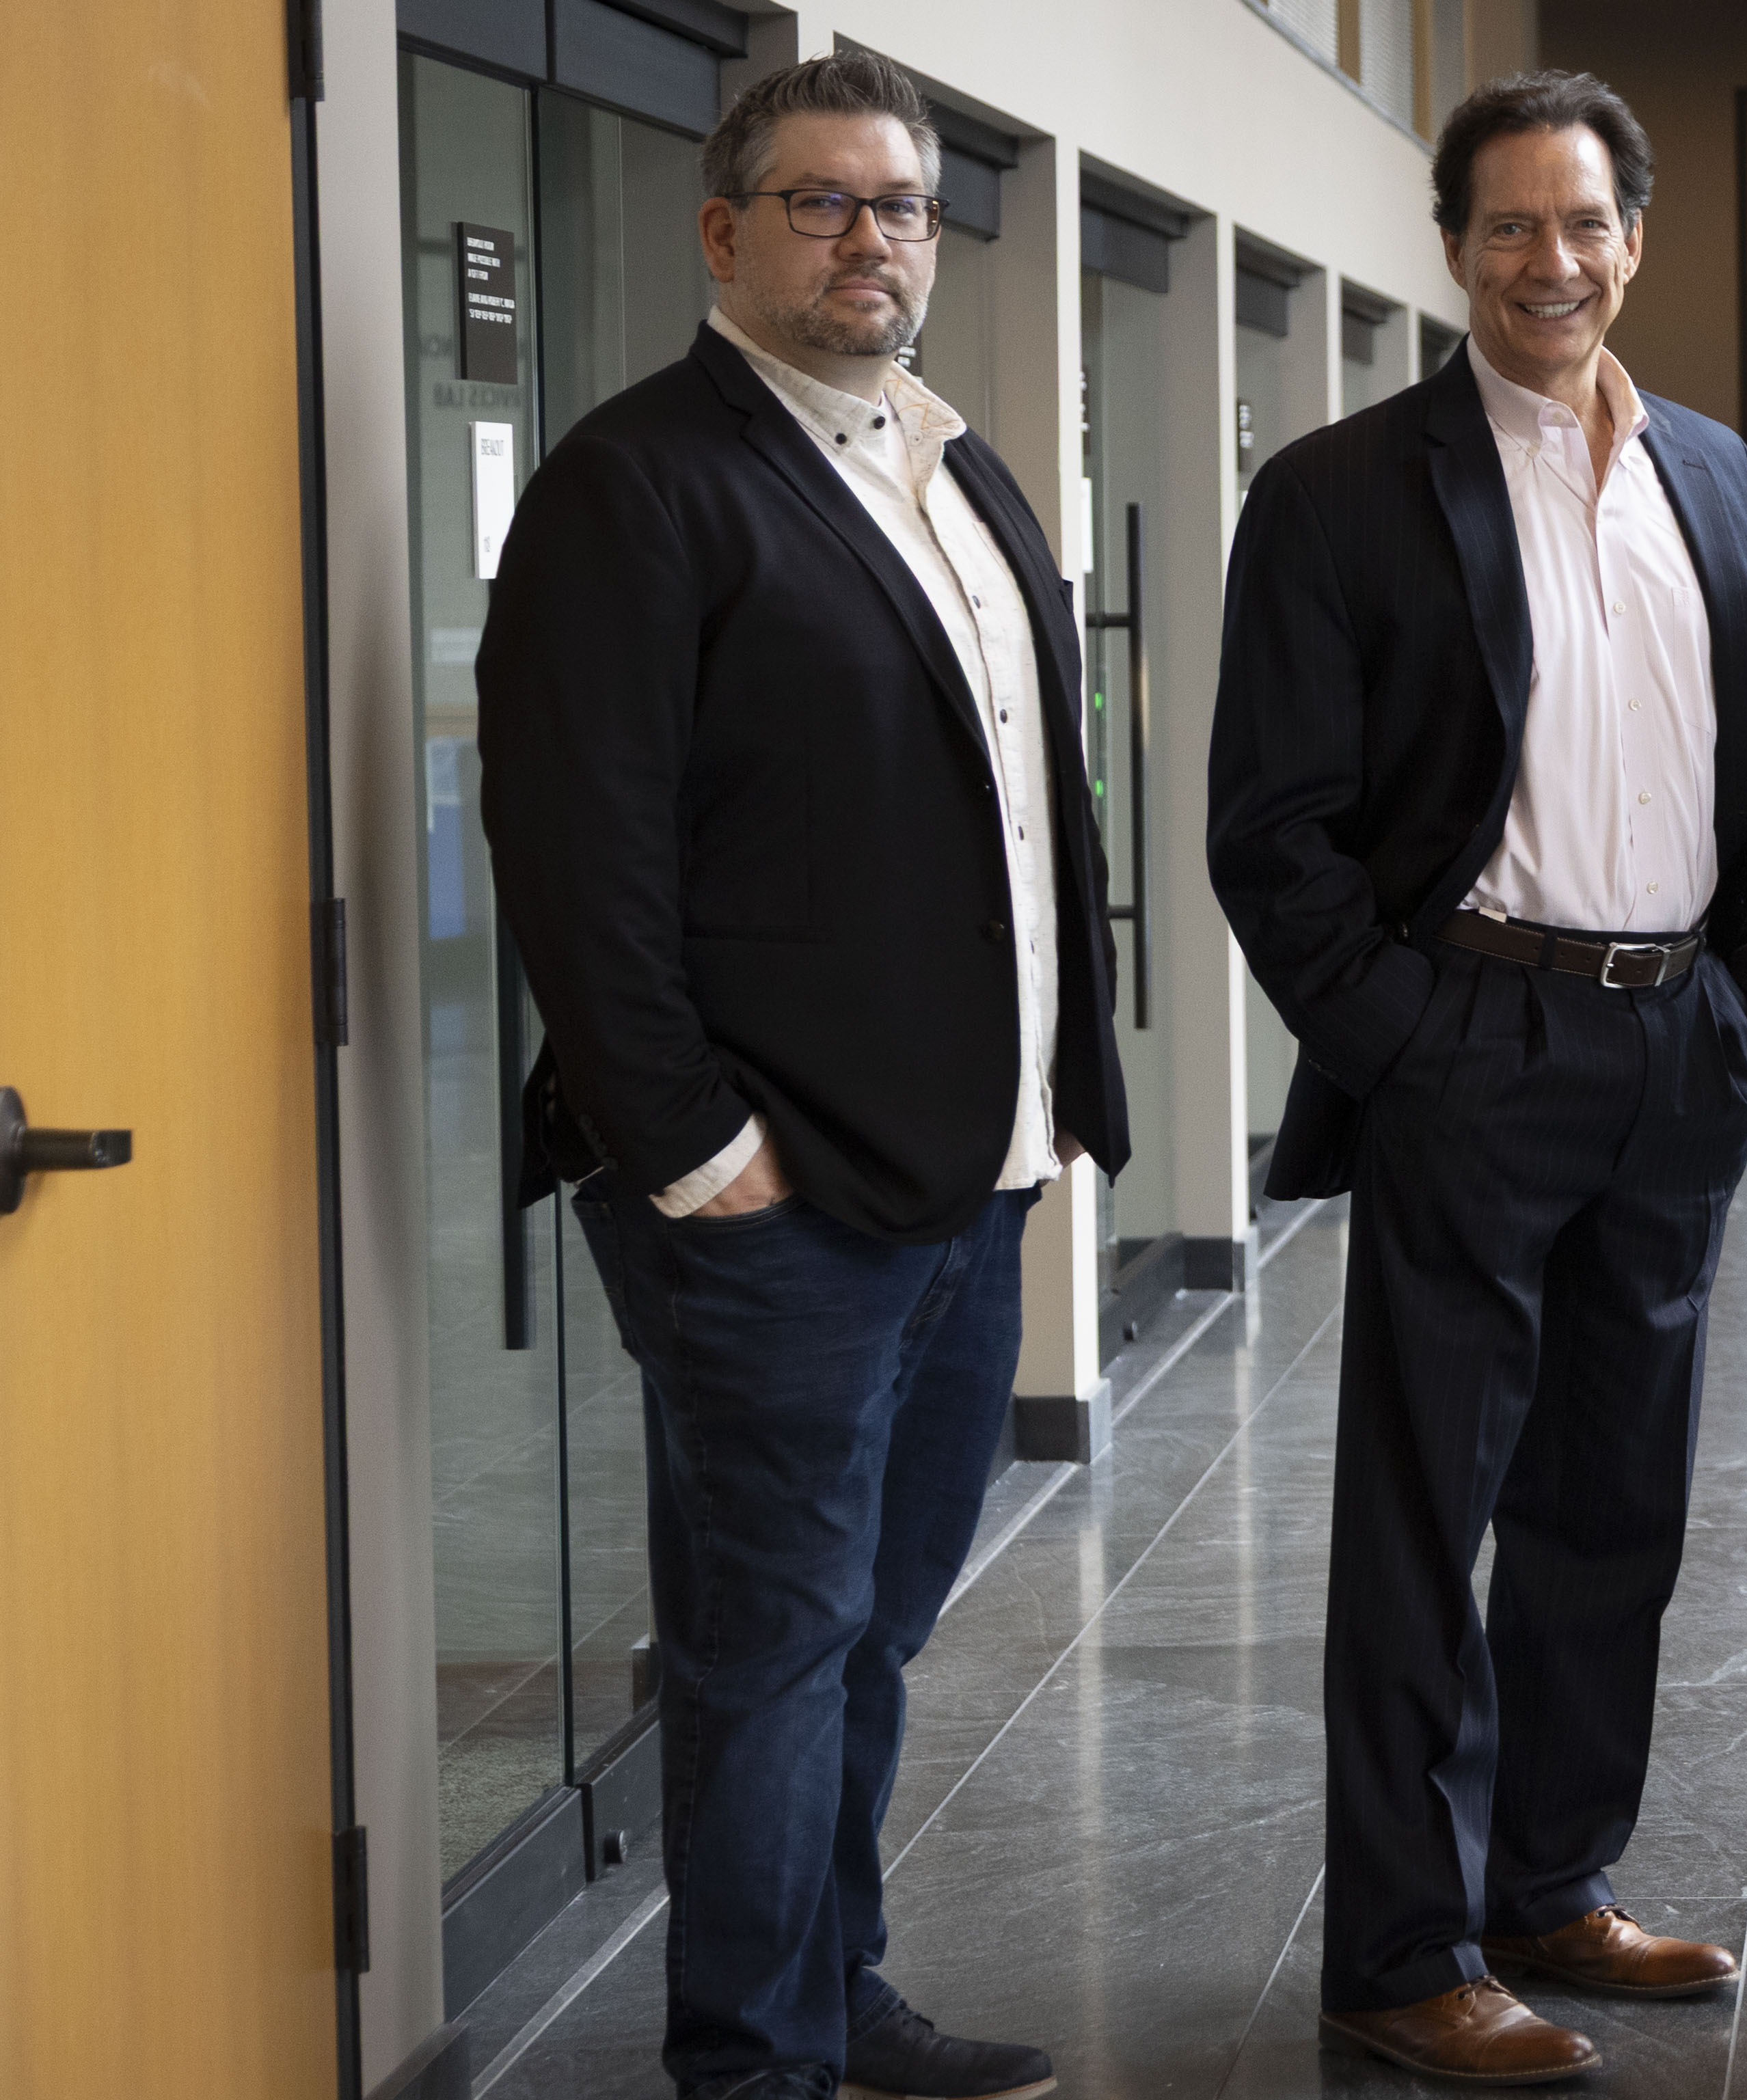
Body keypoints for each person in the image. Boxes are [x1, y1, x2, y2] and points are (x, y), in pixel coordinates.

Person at [480, 51, 1111, 2100]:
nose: (872, 239)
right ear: (725, 230)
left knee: (873, 1631)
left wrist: (1055, 1111)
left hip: (971, 1172)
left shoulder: (955, 463)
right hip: (776, 1203)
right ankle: (750, 2059)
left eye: (903, 205)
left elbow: (1027, 815)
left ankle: (837, 1998)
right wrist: (694, 1154)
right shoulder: (635, 481)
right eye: (826, 201)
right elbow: (581, 854)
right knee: (768, 1647)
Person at [1205, 70, 1747, 2088]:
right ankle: (1398, 1944)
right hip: (1477, 1038)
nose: (1553, 260)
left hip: (1668, 1046)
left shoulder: (1711, 474)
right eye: (1510, 227)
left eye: (1586, 222)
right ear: (1453, 247)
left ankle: (1556, 1882)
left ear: (1640, 236)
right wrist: (1409, 1043)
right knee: (1423, 1516)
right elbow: (1268, 828)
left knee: (1613, 1508)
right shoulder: (1341, 491)